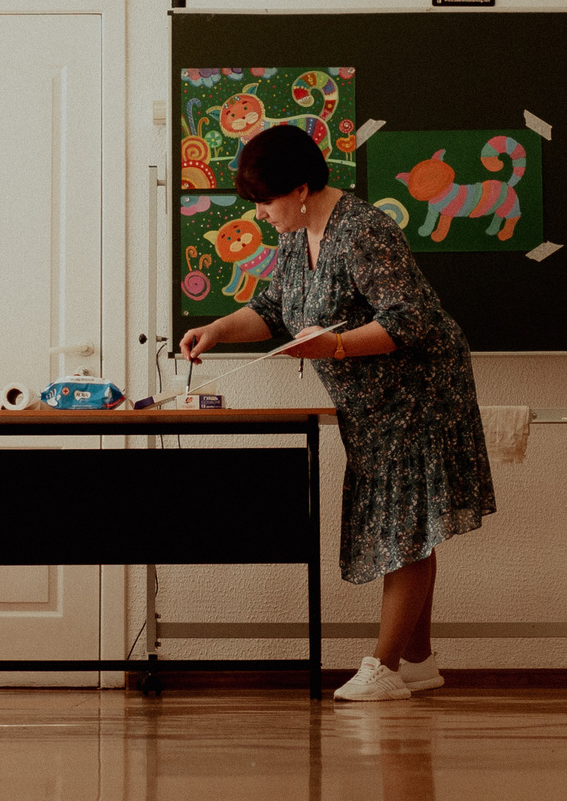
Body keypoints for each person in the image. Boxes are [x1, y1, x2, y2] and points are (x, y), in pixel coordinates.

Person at [182, 123, 495, 703]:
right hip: (371, 408)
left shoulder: (364, 231)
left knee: (408, 527)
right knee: (406, 523)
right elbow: (273, 311)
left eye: (266, 200)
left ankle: (384, 664)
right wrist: (219, 330)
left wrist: (335, 345)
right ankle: (418, 662)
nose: (262, 213)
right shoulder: (297, 234)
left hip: (419, 395)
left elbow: (411, 320)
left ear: (300, 187)